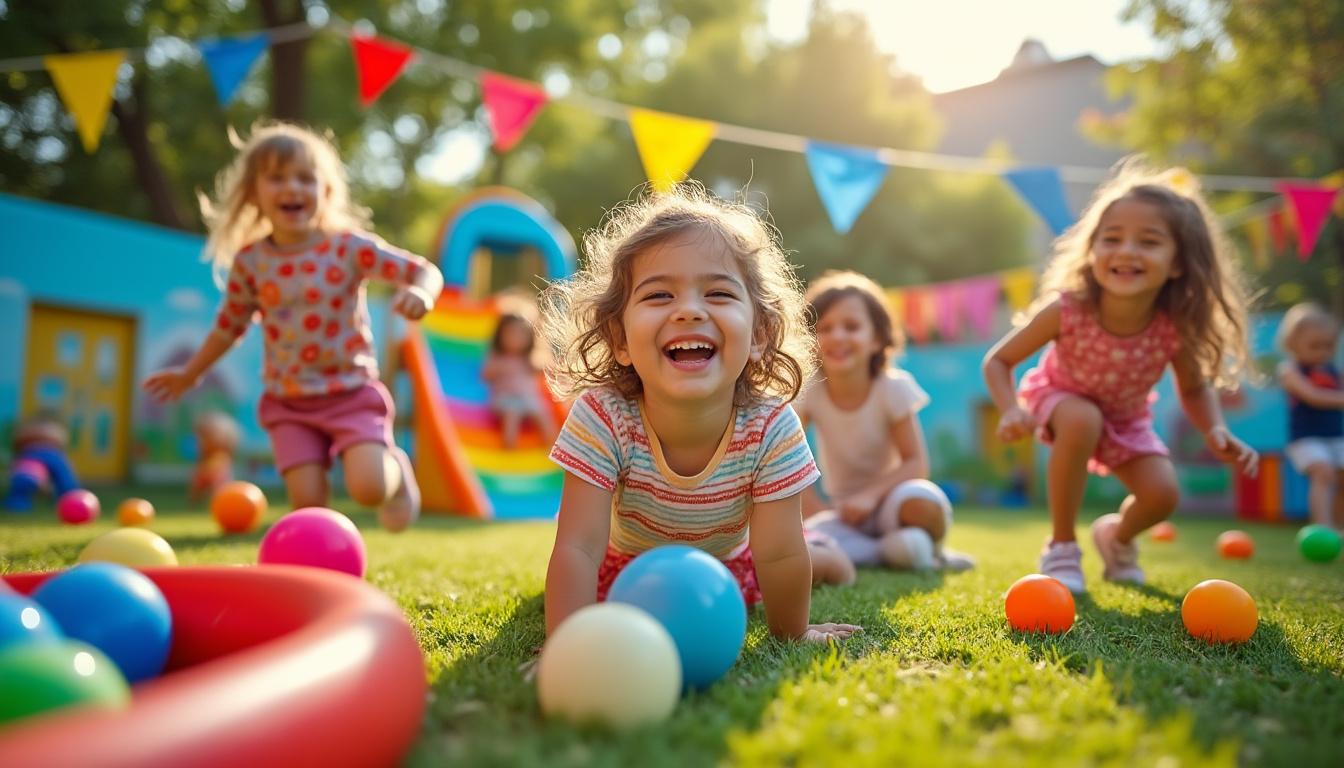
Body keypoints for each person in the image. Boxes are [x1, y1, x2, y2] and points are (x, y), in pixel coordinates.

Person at [540, 184, 860, 643]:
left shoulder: (771, 425)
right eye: (658, 296)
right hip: (623, 573)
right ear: (620, 339)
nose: (689, 311)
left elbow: (778, 554)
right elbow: (578, 547)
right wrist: (566, 645)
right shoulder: (603, 415)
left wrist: (794, 634)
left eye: (718, 293)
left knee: (821, 561)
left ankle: (831, 551)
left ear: (759, 334)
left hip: (727, 570)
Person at [143, 123, 443, 531]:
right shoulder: (251, 262)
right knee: (308, 505)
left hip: (350, 391)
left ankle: (396, 472)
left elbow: (424, 271)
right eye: (277, 177)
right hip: (289, 402)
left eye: (305, 178)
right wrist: (190, 372)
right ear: (253, 192)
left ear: (326, 191)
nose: (292, 188)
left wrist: (422, 293)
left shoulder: (348, 247)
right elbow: (229, 326)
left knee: (368, 489)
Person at [982, 162, 1258, 592]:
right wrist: (1010, 409)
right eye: (1111, 238)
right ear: (1092, 250)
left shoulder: (1173, 327)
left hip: (1126, 419)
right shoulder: (1068, 309)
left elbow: (1193, 388)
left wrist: (1215, 429)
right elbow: (998, 360)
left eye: (1149, 242)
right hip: (1060, 398)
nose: (1126, 251)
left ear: (1178, 263)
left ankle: (1117, 538)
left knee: (1163, 495)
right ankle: (1061, 546)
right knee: (1082, 418)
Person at [798, 271, 974, 573]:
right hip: (843, 515)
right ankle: (895, 551)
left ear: (877, 339)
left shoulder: (892, 387)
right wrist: (816, 512)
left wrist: (869, 496)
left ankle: (930, 551)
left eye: (851, 327)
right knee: (804, 541)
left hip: (892, 502)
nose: (837, 336)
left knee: (925, 500)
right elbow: (788, 461)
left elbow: (916, 463)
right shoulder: (809, 392)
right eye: (824, 328)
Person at [1277, 302, 1344, 529]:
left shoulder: (1334, 371)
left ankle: (1340, 528)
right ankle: (1323, 528)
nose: (1323, 352)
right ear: (1293, 343)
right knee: (1323, 472)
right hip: (1306, 439)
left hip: (1336, 436)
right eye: (1315, 346)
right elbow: (1313, 396)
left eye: (1329, 346)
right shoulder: (1290, 371)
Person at [482, 312, 557, 450]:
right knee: (512, 414)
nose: (515, 338)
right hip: (505, 399)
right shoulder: (497, 357)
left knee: (542, 413)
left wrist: (543, 366)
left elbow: (544, 368)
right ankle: (509, 446)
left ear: (529, 337)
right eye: (510, 333)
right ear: (500, 335)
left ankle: (551, 446)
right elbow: (485, 375)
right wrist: (499, 368)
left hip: (528, 399)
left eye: (521, 334)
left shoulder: (529, 358)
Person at [3, 412, 77, 511]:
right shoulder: (49, 453)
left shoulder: (52, 454)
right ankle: (71, 497)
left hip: (33, 461)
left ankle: (71, 497)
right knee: (25, 480)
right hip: (31, 462)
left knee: (63, 479)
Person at [190, 411, 240, 502]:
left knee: (219, 487)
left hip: (219, 470)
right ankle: (194, 502)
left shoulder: (223, 447)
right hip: (206, 469)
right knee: (198, 484)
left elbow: (230, 454)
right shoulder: (204, 446)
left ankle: (220, 500)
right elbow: (201, 456)